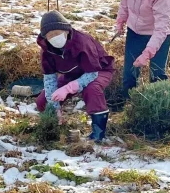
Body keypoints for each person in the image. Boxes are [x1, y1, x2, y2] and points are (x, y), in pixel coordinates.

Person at [36, 10, 116, 141]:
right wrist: (54, 107)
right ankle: (54, 126)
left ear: (66, 31)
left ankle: (98, 132)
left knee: (91, 90)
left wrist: (68, 88)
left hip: (98, 70)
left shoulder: (82, 42)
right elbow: (49, 79)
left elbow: (91, 73)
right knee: (43, 101)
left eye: (56, 33)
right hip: (71, 74)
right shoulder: (47, 50)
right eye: (50, 36)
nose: (53, 38)